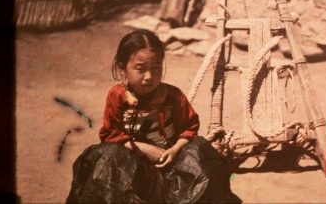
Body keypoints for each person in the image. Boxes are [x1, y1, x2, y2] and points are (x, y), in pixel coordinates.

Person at [66, 29, 240, 203]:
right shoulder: (117, 96)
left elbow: (189, 128)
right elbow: (111, 133)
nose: (149, 77)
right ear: (122, 68)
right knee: (105, 158)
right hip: (131, 164)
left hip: (172, 161)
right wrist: (144, 149)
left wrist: (174, 150)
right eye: (140, 69)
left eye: (156, 68)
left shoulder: (173, 95)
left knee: (202, 156)